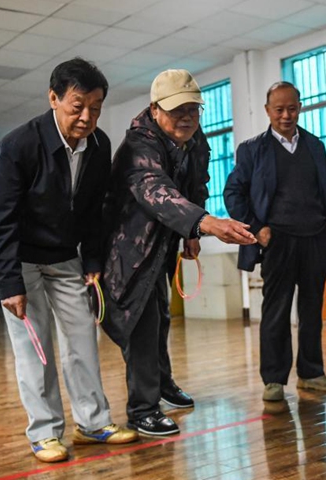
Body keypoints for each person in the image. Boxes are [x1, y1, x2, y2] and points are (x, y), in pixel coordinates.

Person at [0, 58, 137, 463]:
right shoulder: (18, 146)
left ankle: (93, 423)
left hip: (66, 258)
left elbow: (94, 210)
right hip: (20, 259)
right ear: (53, 99)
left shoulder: (99, 145)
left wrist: (93, 259)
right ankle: (45, 433)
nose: (87, 117)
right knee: (36, 351)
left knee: (82, 340)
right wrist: (9, 283)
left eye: (97, 107)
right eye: (77, 106)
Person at [100, 69, 255, 435]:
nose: (186, 118)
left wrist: (192, 234)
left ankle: (162, 382)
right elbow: (157, 192)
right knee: (141, 323)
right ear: (155, 109)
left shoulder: (193, 138)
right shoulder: (139, 146)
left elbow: (196, 181)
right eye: (176, 110)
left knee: (161, 317)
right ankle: (142, 409)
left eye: (193, 110)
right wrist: (207, 222)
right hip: (127, 248)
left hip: (164, 243)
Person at [224, 81, 326, 402]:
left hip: (315, 238)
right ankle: (274, 379)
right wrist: (257, 227)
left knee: (312, 309)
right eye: (279, 109)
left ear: (300, 107)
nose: (286, 115)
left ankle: (312, 373)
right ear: (267, 111)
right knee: (276, 311)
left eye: (292, 108)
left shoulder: (315, 146)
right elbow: (233, 192)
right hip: (278, 241)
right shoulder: (252, 150)